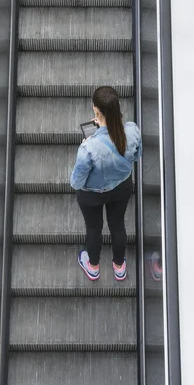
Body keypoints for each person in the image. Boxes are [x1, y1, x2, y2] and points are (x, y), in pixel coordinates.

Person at [70, 86, 142, 281]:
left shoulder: (88, 148)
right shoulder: (132, 131)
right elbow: (137, 156)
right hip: (122, 187)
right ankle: (119, 266)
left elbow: (76, 182)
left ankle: (93, 266)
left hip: (92, 195)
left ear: (96, 110)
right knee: (117, 225)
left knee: (94, 228)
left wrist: (92, 139)